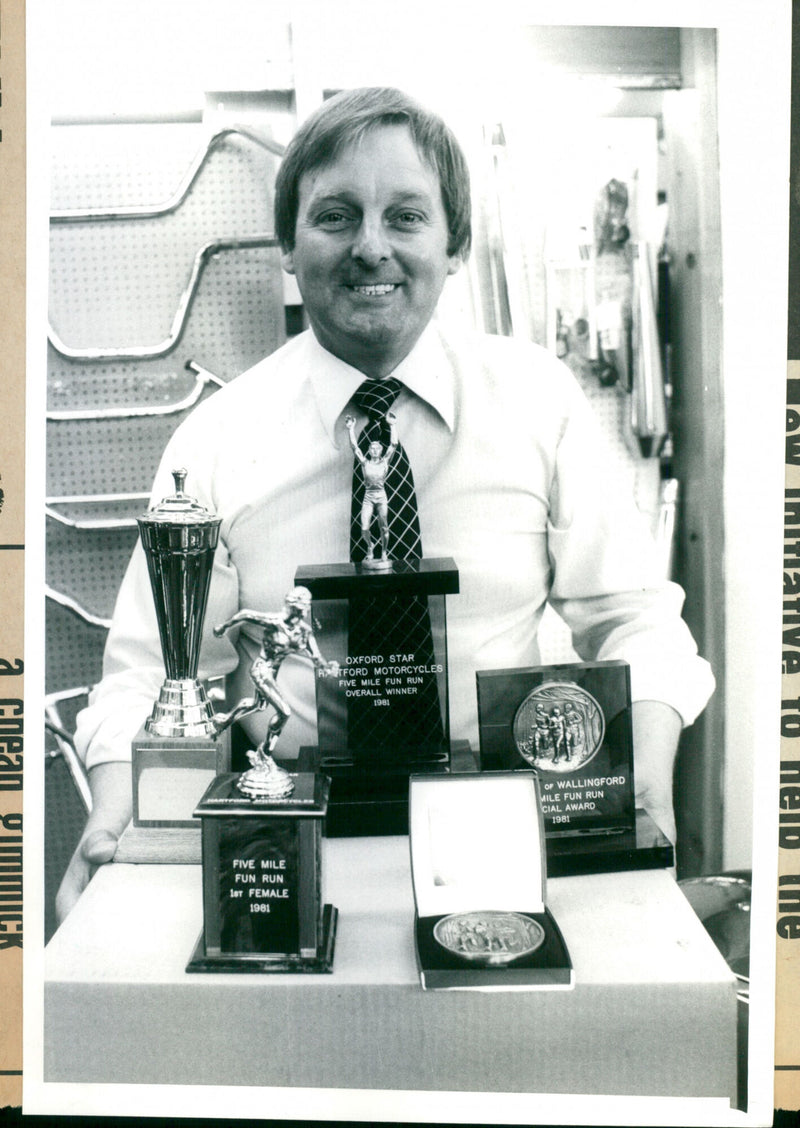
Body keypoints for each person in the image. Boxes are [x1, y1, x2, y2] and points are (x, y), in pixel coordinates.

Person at [56, 86, 714, 923]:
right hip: (288, 848)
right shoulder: (214, 441)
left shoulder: (539, 404)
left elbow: (639, 627)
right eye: (335, 216)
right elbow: (147, 680)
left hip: (507, 841)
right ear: (288, 245)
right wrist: (114, 821)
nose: (371, 248)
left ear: (456, 242)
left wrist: (645, 788)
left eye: (405, 217)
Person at [212, 587, 339, 795]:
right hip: (261, 670)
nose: (300, 613)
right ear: (290, 607)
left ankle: (225, 720)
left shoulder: (305, 632)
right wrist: (224, 627)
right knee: (284, 711)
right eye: (297, 608)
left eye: (304, 609)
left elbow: (315, 657)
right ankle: (266, 753)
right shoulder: (275, 622)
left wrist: (328, 667)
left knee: (257, 705)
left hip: (273, 673)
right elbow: (246, 615)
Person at [344, 409, 398, 566]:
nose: (374, 450)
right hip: (368, 496)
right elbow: (354, 447)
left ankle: (384, 551)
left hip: (381, 496)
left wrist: (393, 425)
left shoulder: (384, 462)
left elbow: (393, 444)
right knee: (364, 528)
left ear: (380, 451)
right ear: (369, 451)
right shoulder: (365, 462)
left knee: (384, 527)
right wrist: (351, 429)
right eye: (372, 448)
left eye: (377, 448)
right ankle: (370, 546)